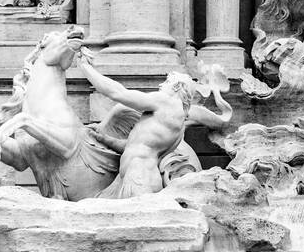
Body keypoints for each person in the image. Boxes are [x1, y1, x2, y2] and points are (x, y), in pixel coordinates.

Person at [79, 61, 231, 199]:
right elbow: (138, 146)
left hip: (139, 178)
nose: (160, 85)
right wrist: (106, 140)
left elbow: (118, 93)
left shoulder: (165, 102)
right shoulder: (178, 121)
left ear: (177, 86)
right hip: (135, 177)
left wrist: (86, 68)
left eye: (166, 82)